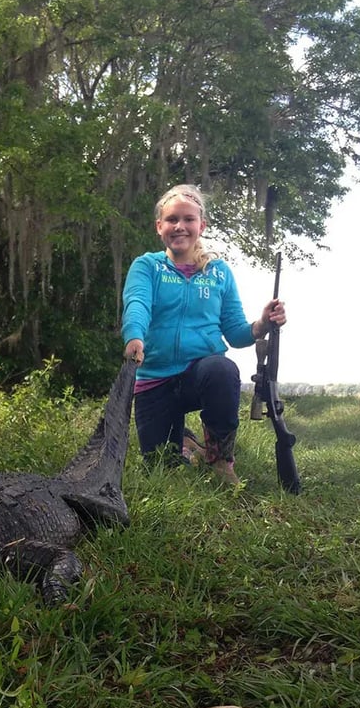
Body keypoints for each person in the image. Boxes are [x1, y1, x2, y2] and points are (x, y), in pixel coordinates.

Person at [122, 184, 286, 484]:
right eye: (172, 219)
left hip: (200, 375)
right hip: (154, 381)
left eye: (188, 219)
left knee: (222, 368)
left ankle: (221, 459)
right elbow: (137, 304)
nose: (180, 226)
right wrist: (135, 336)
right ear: (160, 226)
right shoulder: (147, 266)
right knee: (162, 472)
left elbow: (236, 334)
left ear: (201, 226)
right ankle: (188, 445)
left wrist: (262, 323)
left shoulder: (219, 272)